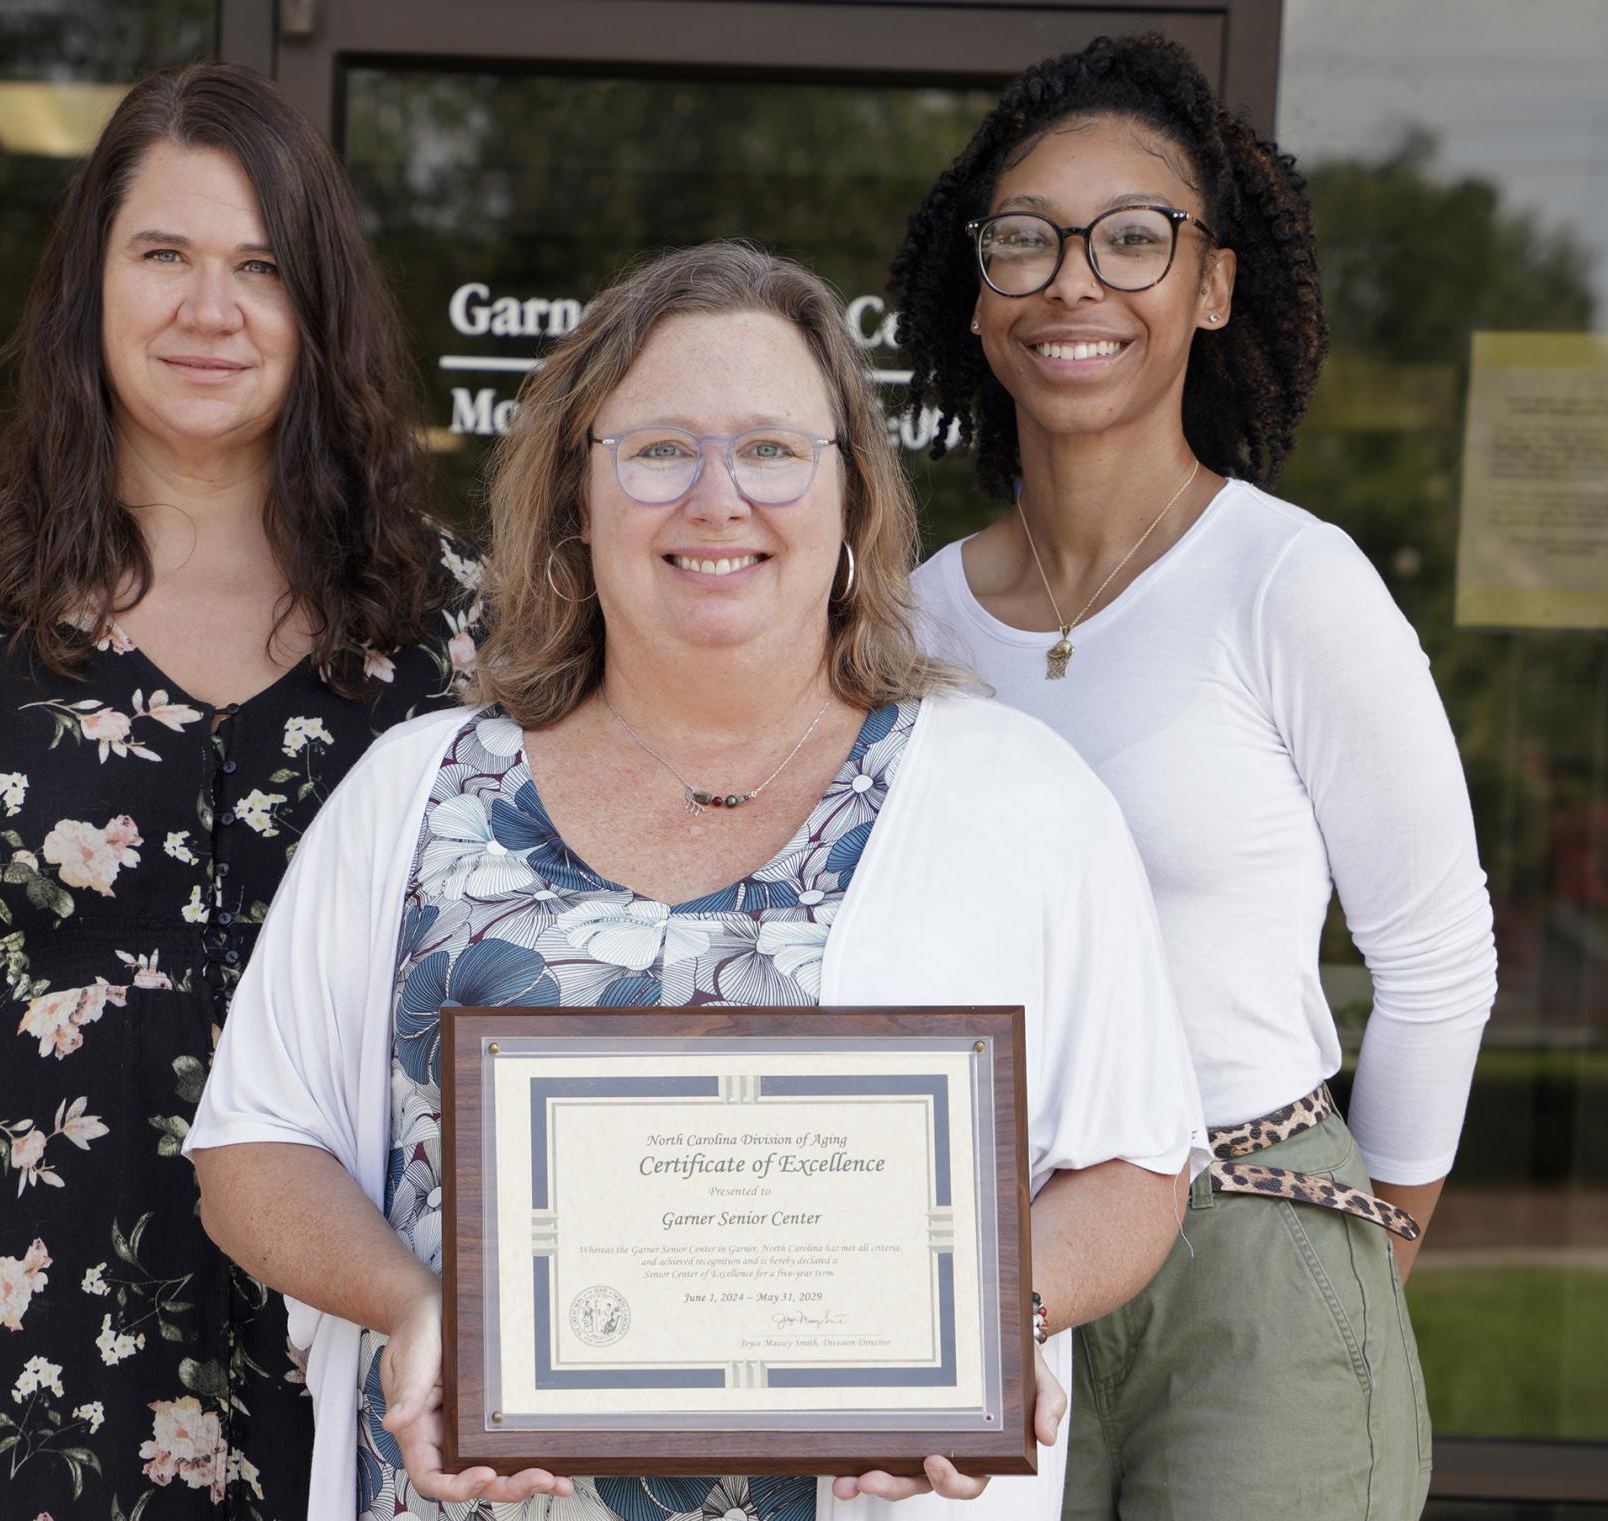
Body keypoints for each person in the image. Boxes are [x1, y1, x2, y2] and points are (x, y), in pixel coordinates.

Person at [184, 240, 1209, 1521]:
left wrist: (989, 1329)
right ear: (578, 498)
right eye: (660, 450)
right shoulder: (416, 789)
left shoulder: (1022, 799)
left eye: (774, 450)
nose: (718, 499)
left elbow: (1135, 1169)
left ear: (851, 499)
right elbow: (253, 1148)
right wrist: (418, 1308)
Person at [0, 62, 481, 1520]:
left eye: (260, 268)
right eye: (163, 255)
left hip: (345, 1338)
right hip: (22, 1352)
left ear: (318, 308)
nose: (208, 311)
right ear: (90, 281)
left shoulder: (439, 621)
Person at [889, 33, 1497, 1519]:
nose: (1073, 282)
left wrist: (1350, 1256)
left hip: (1248, 1238)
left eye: (1132, 239)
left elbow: (1434, 963)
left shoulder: (1289, 582)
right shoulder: (913, 617)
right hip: (984, 1255)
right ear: (978, 295)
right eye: (1025, 241)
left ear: (1209, 287)